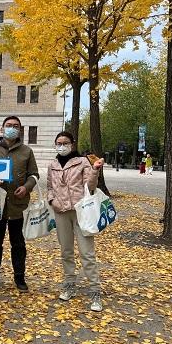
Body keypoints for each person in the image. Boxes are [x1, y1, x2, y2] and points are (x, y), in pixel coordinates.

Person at [46, 131, 104, 312]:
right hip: (61, 212)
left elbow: (90, 186)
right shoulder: (53, 164)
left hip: (81, 212)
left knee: (87, 253)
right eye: (58, 143)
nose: (61, 146)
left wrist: (94, 170)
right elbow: (49, 186)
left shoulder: (83, 161)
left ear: (72, 143)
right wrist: (51, 200)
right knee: (66, 251)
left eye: (65, 142)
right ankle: (69, 283)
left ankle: (95, 290)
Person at [0, 116, 39, 292]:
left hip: (18, 205)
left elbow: (34, 174)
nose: (12, 128)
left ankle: (19, 277)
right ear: (2, 129)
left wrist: (27, 187)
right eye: (8, 125)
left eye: (15, 126)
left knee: (18, 243)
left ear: (20, 130)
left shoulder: (26, 151)